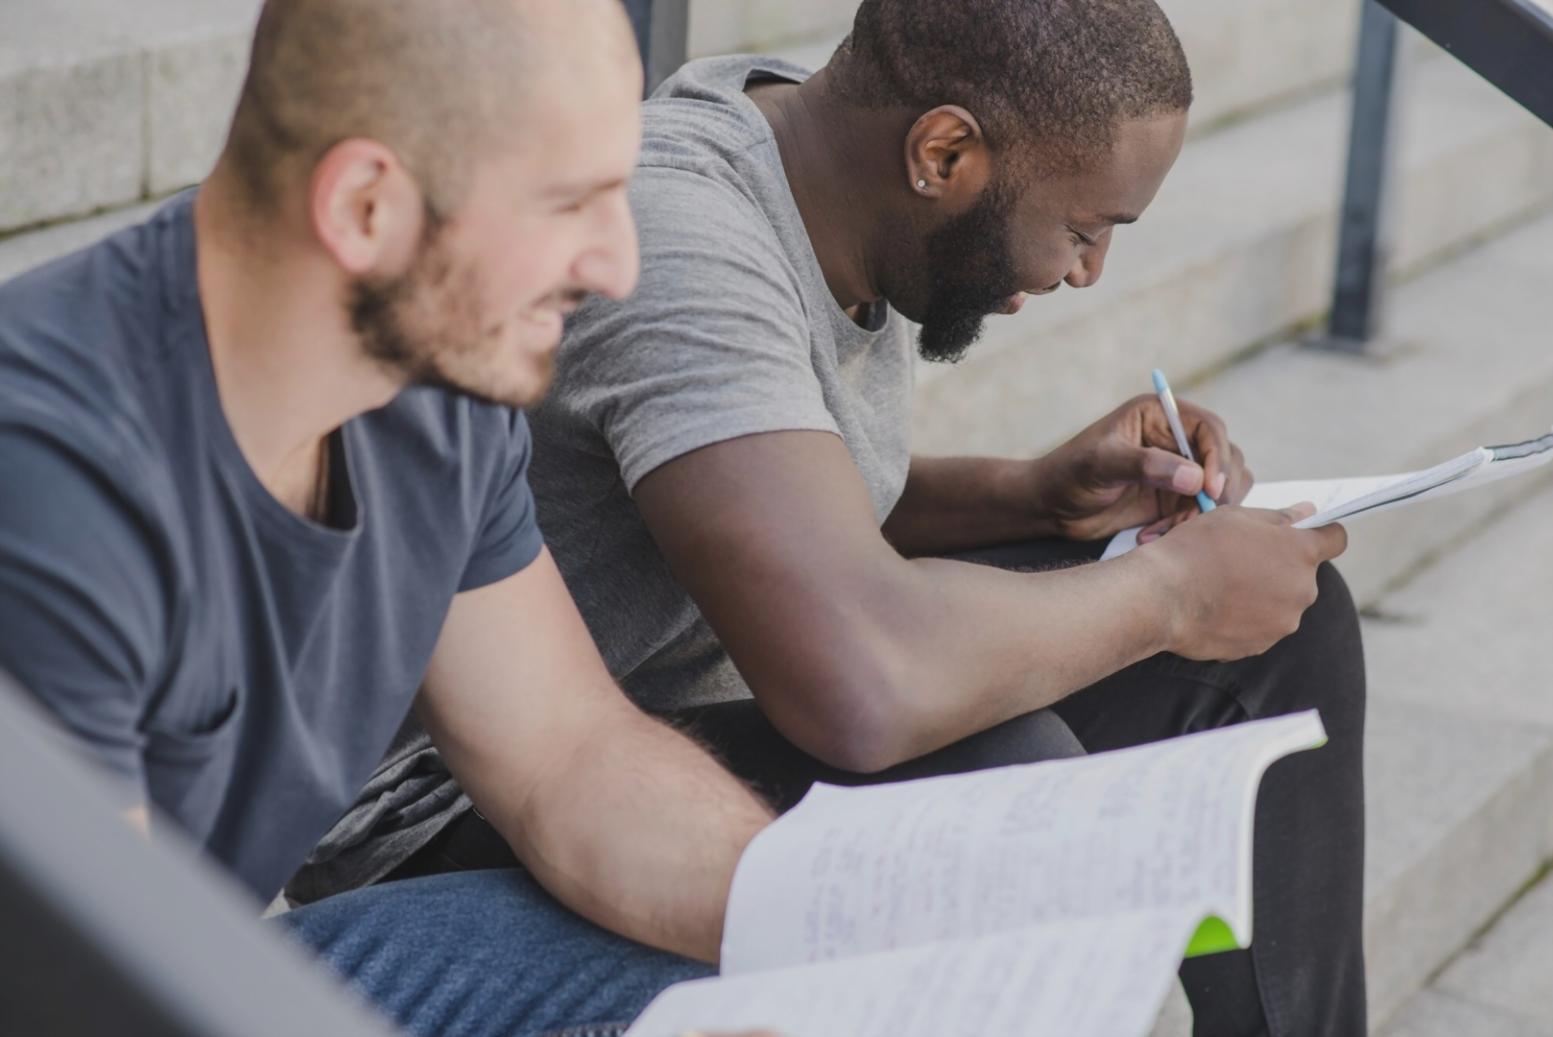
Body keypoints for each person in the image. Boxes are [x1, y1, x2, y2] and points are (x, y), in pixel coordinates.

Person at [317, 0, 1370, 1034]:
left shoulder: (838, 162)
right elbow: (859, 681)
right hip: (469, 804)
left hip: (674, 718)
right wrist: (1174, 591)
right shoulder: (683, 244)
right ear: (942, 154)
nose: (1087, 272)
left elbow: (784, 494)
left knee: (1279, 635)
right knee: (991, 787)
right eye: (1083, 229)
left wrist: (1029, 493)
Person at [0, 1, 785, 1034]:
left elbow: (567, 761)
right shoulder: (52, 486)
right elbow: (93, 992)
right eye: (570, 203)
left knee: (749, 969)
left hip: (186, 957)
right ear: (365, 206)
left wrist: (836, 921)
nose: (616, 266)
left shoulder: (435, 388)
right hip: (84, 992)